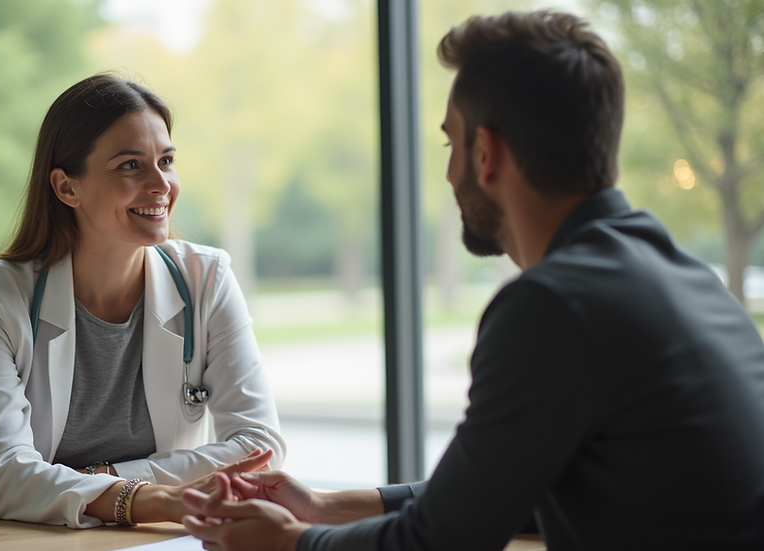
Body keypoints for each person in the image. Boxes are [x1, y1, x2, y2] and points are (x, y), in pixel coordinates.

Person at [180, 10, 764, 550]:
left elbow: (439, 542)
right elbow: (511, 488)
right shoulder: (685, 278)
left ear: (485, 153)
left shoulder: (553, 307)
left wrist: (288, 543)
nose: (449, 170)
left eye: (449, 142)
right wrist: (327, 506)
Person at [0, 73, 286, 528]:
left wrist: (102, 479)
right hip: (10, 535)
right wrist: (158, 500)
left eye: (166, 161)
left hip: (150, 537)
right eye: (130, 165)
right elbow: (9, 477)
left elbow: (259, 448)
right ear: (68, 188)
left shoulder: (206, 278)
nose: (161, 184)